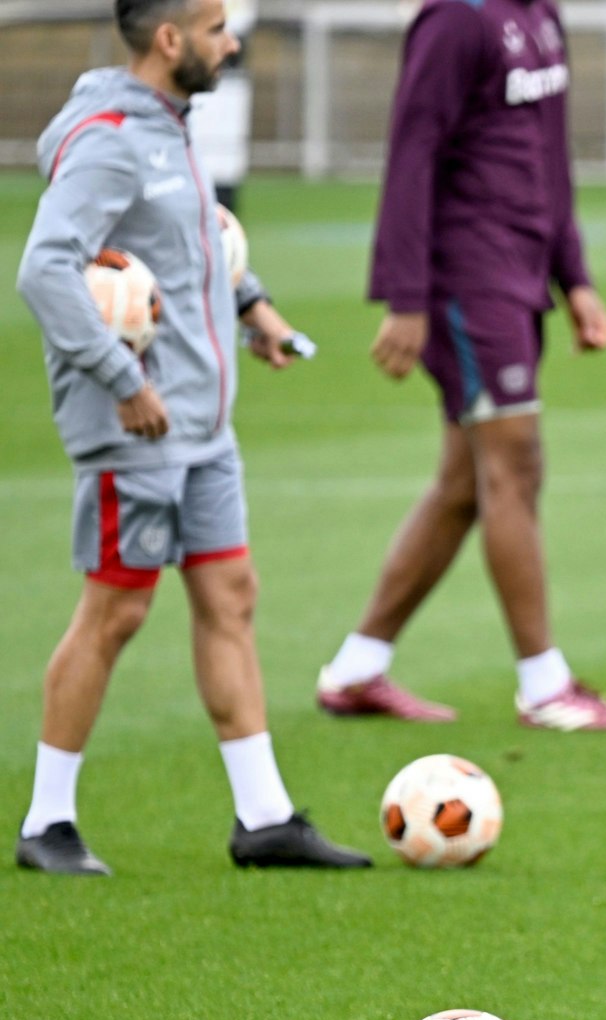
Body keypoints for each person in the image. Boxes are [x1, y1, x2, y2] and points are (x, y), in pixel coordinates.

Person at [14, 0, 371, 875]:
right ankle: (46, 823)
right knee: (117, 609)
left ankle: (265, 817)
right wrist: (122, 378)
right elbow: (44, 270)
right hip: (136, 427)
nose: (233, 40)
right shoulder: (108, 139)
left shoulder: (172, 125)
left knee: (230, 594)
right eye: (216, 28)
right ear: (169, 40)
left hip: (204, 424)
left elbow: (192, 245)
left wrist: (254, 308)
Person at [313, 0, 606, 732]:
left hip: (521, 269)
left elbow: (549, 161)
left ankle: (357, 668)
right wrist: (404, 296)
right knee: (515, 466)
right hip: (467, 275)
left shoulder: (543, 16)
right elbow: (412, 152)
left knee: (464, 484)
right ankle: (544, 686)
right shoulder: (454, 20)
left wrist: (576, 277)